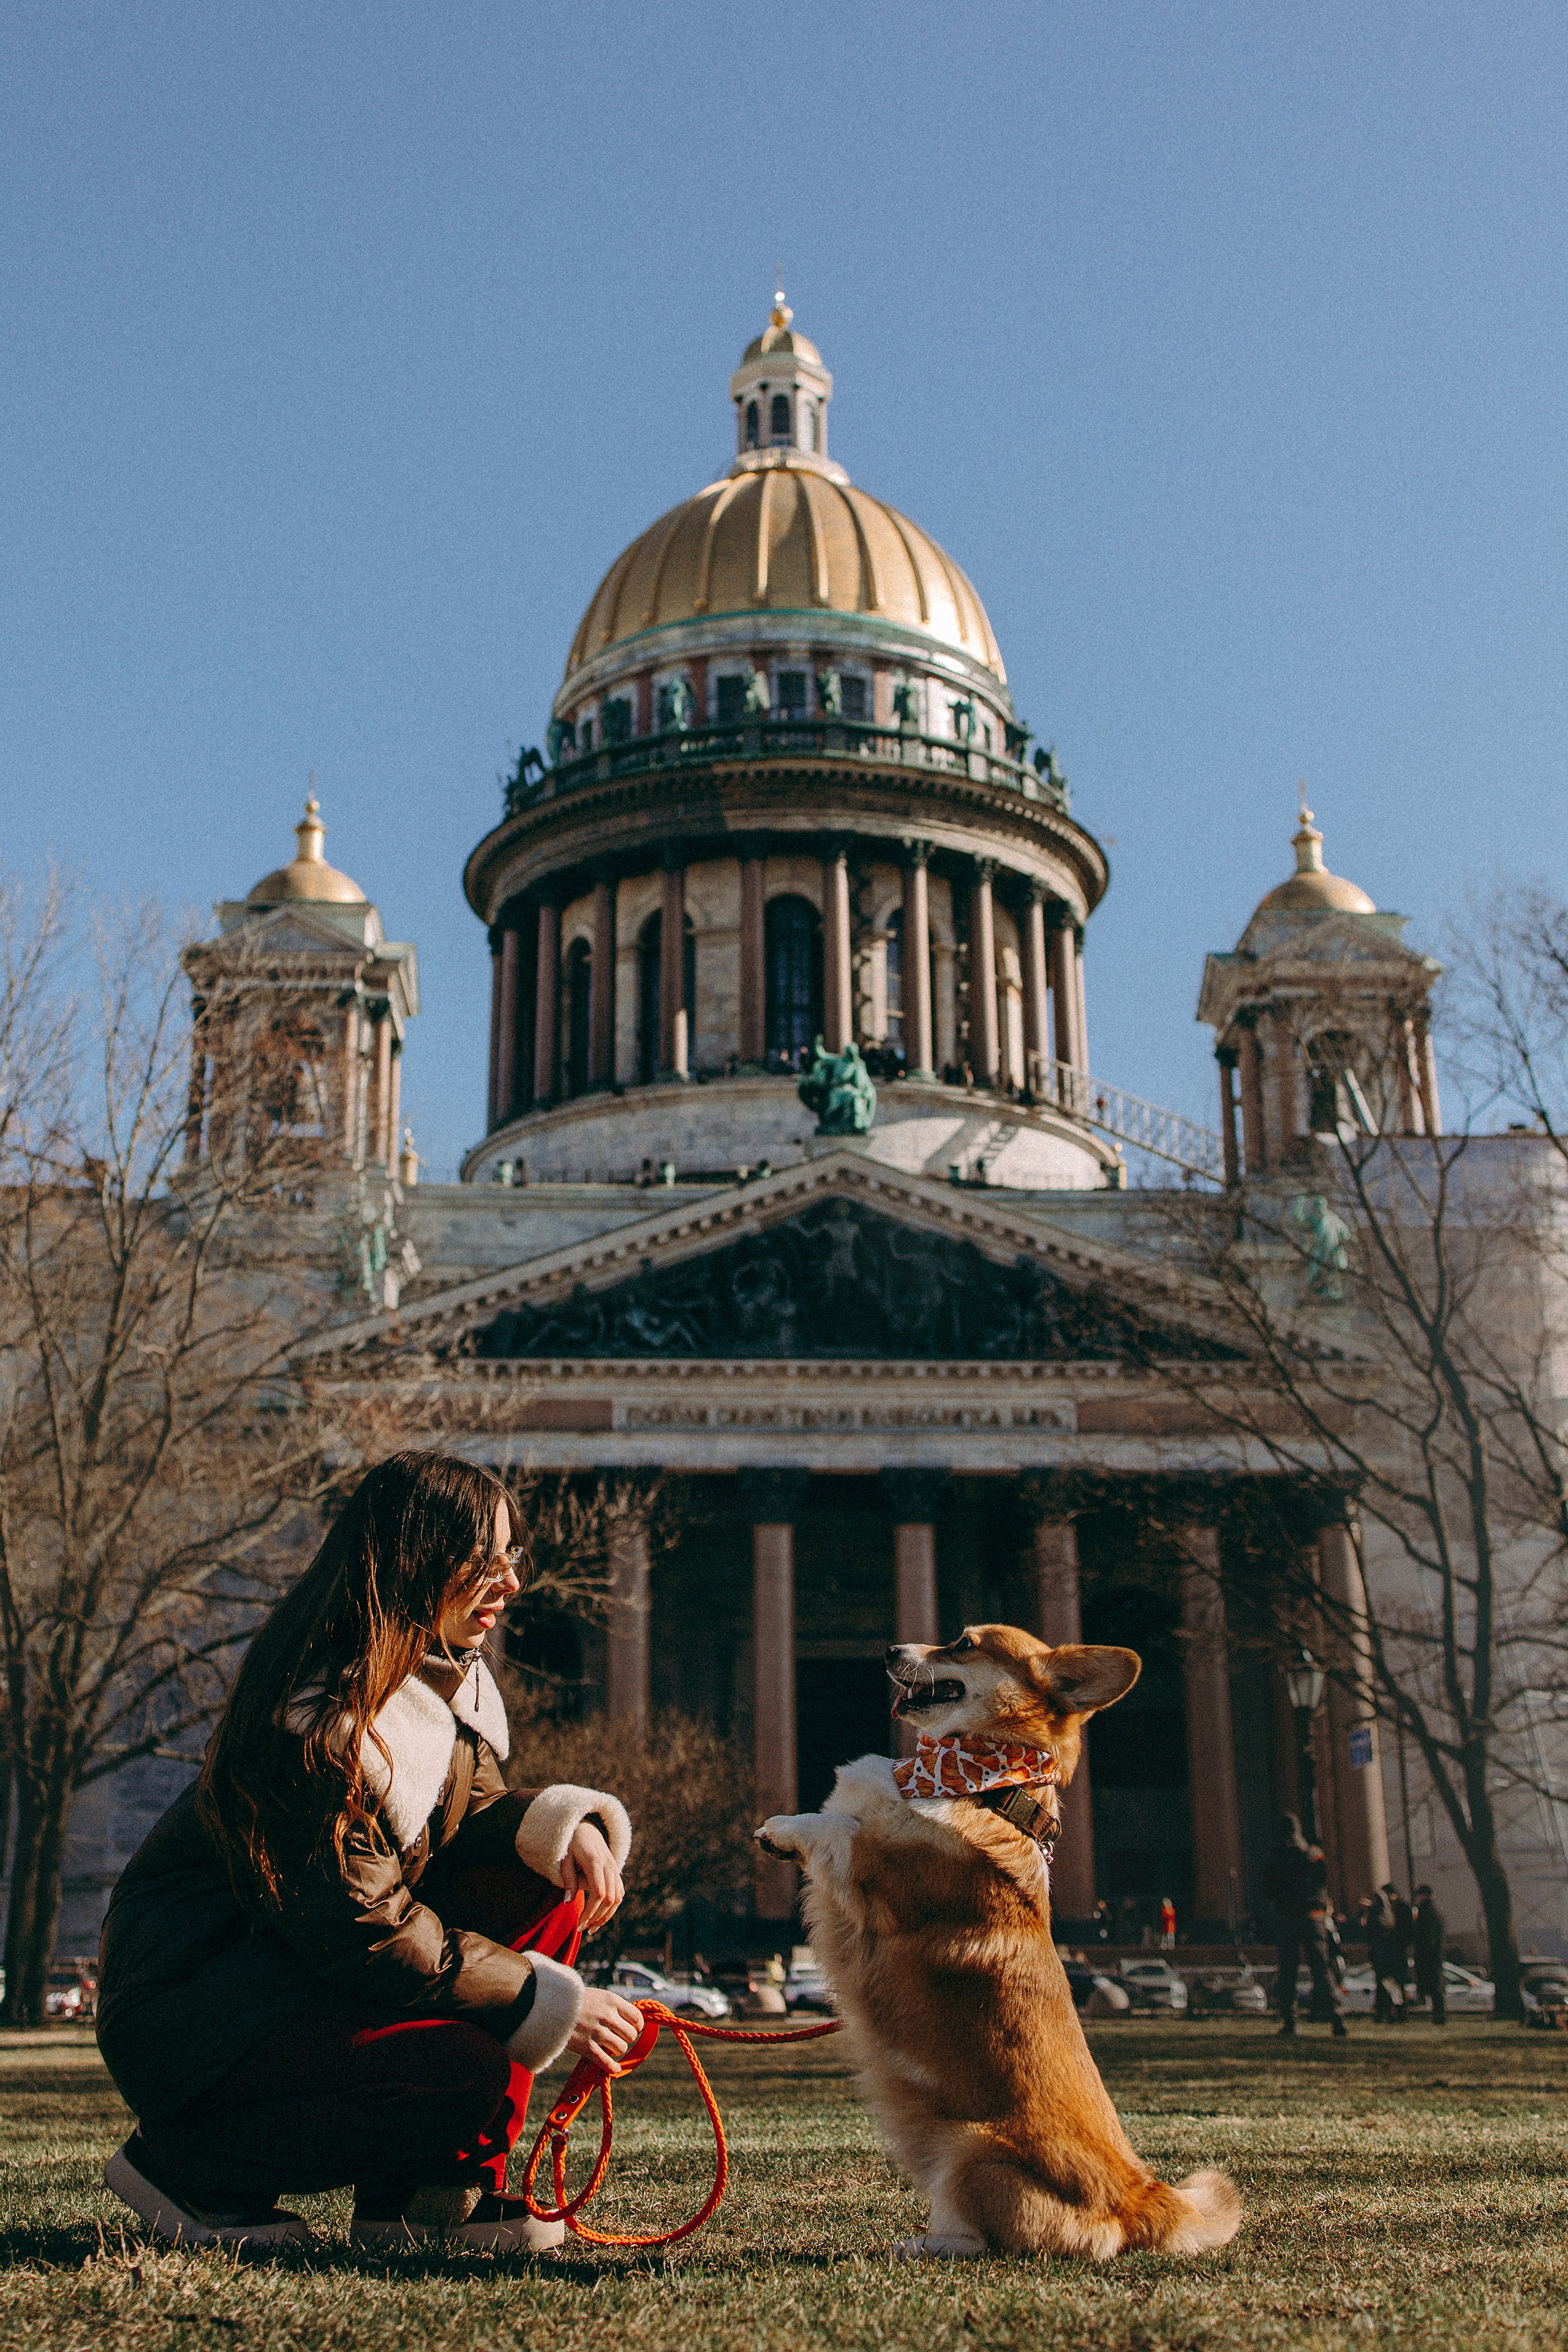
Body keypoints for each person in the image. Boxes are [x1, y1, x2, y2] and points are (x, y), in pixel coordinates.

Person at [95, 1450, 646, 2254]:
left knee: (546, 1877)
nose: (512, 1582)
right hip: (197, 2023)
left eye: (513, 1557)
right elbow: (366, 1930)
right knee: (465, 2068)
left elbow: (465, 1819)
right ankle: (193, 2169)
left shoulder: (440, 1685)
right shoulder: (321, 1719)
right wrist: (548, 1998)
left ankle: (424, 2195)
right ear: (414, 1562)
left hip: (285, 1982)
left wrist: (566, 1828)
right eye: (486, 1560)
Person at [1264, 1814, 1348, 2038]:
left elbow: (1268, 1889)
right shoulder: (1314, 1854)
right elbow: (1323, 1882)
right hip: (1313, 1917)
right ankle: (1336, 2015)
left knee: (1288, 1972)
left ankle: (1290, 2021)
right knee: (1322, 1969)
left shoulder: (1275, 1856)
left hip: (1287, 1918)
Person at [1412, 1883, 1447, 2023]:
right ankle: (1438, 2015)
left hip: (1429, 1956)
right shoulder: (1433, 1911)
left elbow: (1426, 1935)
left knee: (1434, 1987)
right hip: (1434, 1955)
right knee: (1436, 1986)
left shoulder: (1427, 1912)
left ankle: (1439, 2016)